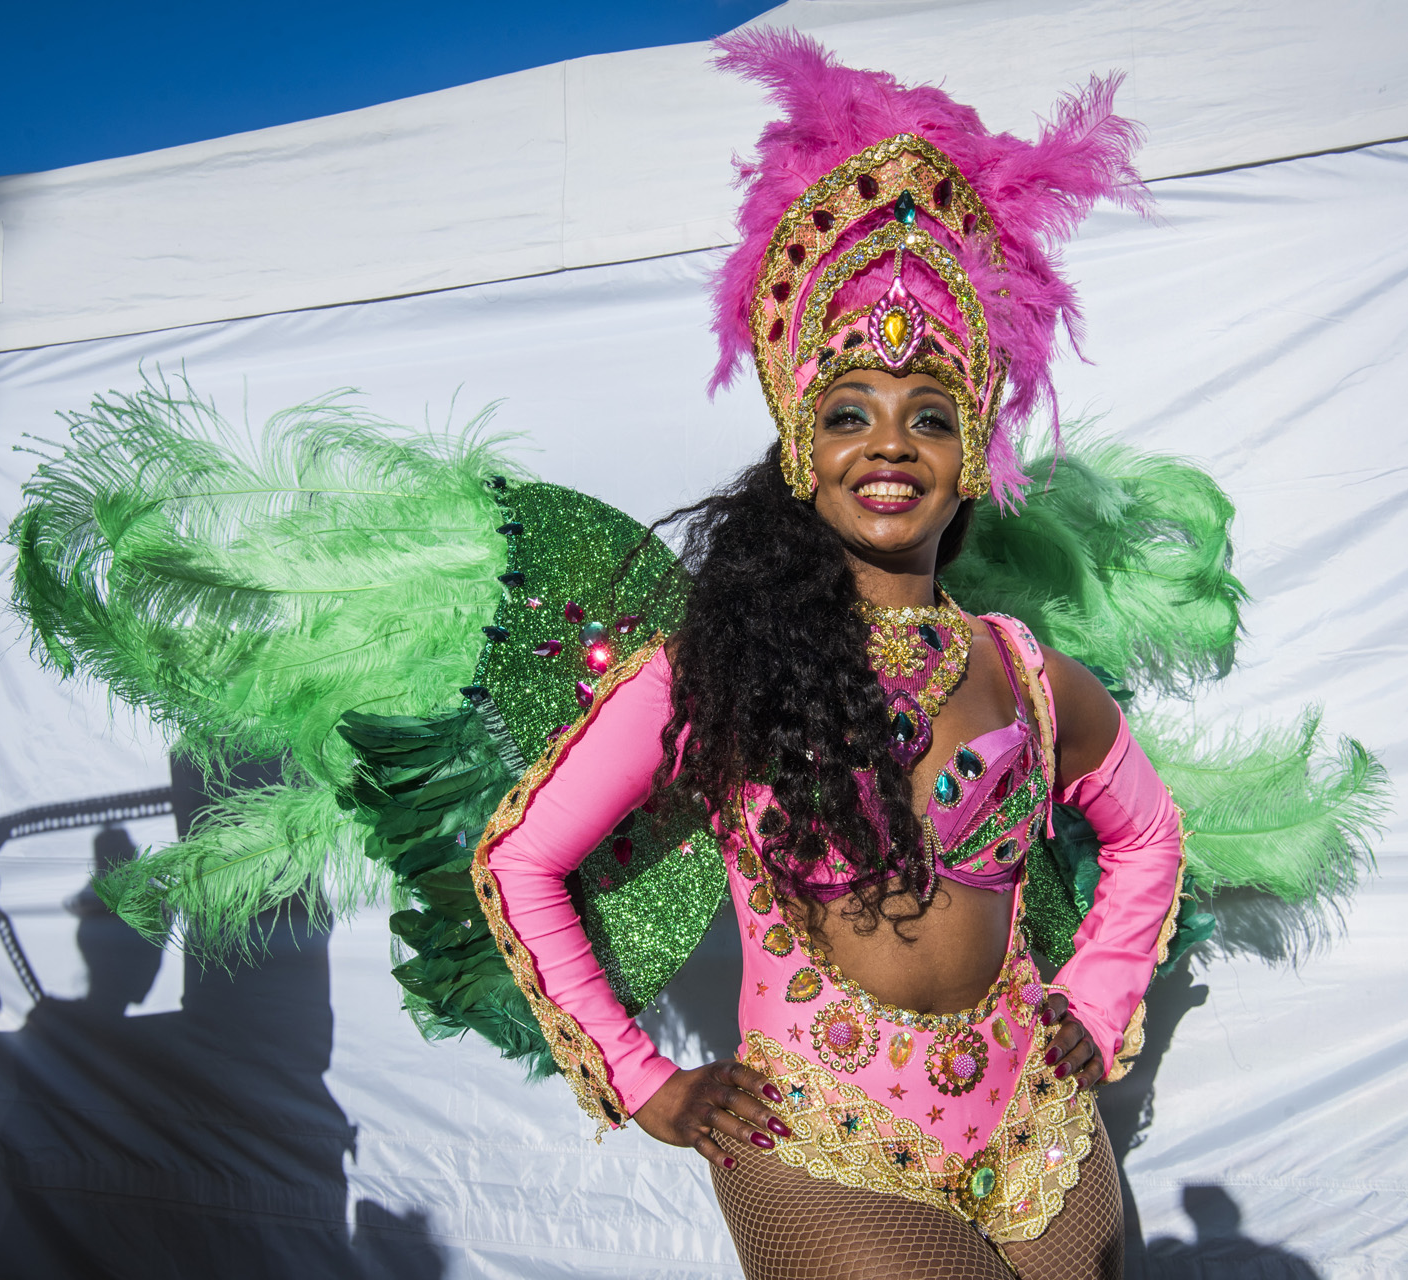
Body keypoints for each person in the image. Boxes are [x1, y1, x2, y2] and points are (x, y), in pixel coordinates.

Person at [470, 31, 1179, 1279]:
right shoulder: (714, 673)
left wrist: (1096, 1000)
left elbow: (1148, 834)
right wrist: (645, 1080)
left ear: (971, 459)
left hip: (1040, 1127)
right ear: (799, 445)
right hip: (821, 1144)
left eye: (931, 416)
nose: (889, 446)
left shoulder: (1024, 667)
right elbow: (522, 857)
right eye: (849, 412)